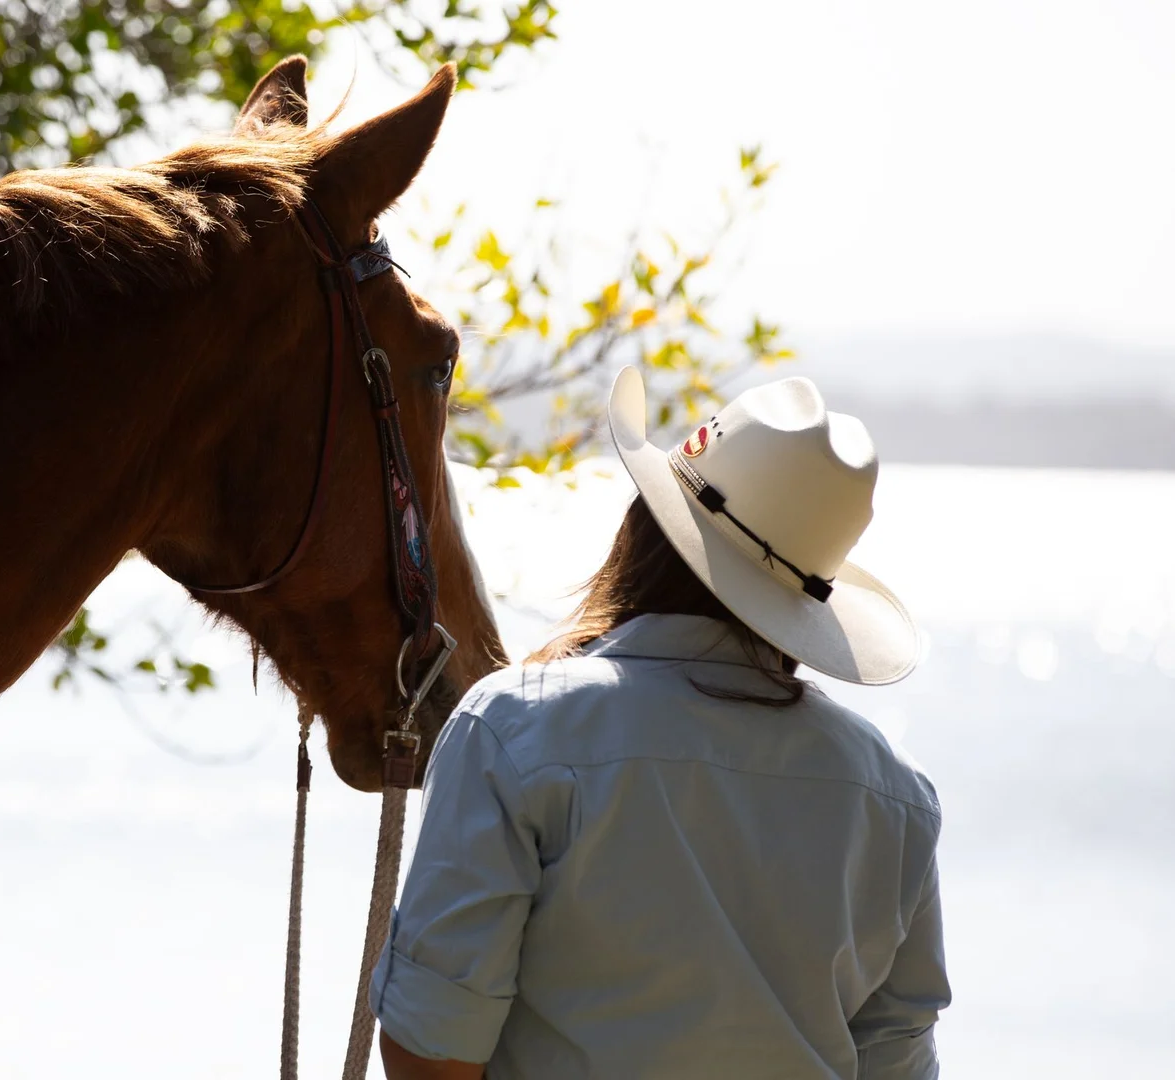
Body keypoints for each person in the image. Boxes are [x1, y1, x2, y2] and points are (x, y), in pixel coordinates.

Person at [371, 368, 950, 1079]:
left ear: (643, 525)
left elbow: (430, 1053)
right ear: (805, 607)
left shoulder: (512, 731)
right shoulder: (893, 799)